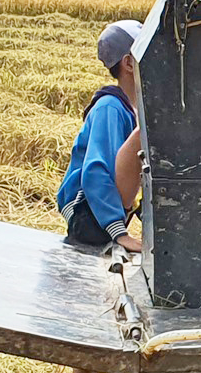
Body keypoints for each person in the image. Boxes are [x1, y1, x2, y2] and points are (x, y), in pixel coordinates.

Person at [57, 19, 145, 253]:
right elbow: (95, 170)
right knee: (142, 134)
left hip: (104, 215)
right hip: (87, 215)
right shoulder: (109, 108)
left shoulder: (131, 109)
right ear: (129, 63)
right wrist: (120, 233)